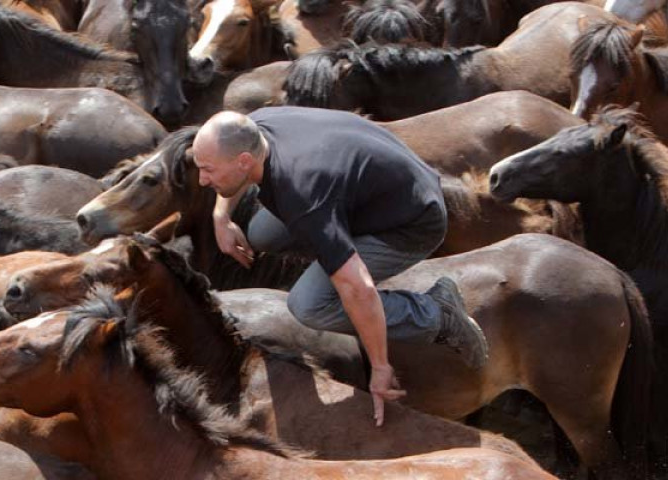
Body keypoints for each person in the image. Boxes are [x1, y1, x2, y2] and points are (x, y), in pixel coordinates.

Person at [192, 106, 489, 426]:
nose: (201, 179)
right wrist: (221, 215)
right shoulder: (257, 125)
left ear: (245, 162)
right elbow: (231, 165)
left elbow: (357, 286)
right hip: (374, 189)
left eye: (208, 170)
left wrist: (379, 367)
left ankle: (438, 313)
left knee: (308, 305)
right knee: (262, 232)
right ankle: (333, 250)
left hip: (412, 223)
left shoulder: (302, 194)